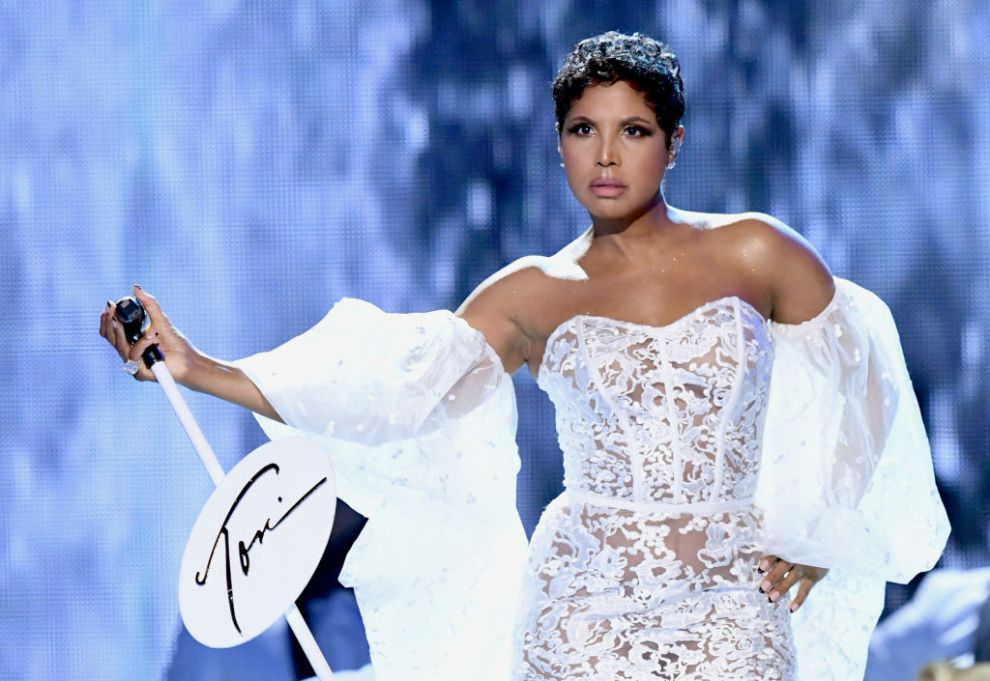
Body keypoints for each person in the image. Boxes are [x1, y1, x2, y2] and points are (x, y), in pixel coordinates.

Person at [100, 31, 949, 681]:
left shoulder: (757, 252)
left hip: (734, 606)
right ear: (559, 142)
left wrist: (822, 527)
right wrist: (195, 364)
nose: (607, 155)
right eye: (584, 129)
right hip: (581, 606)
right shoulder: (535, 289)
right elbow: (398, 390)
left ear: (675, 140)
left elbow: (861, 373)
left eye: (634, 130)